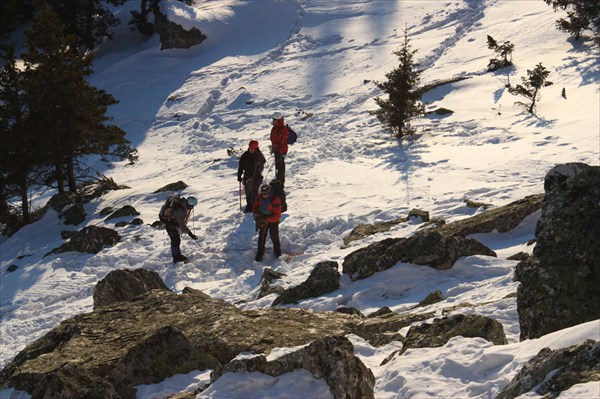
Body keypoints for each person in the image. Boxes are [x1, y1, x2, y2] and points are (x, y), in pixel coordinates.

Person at [252, 184, 282, 261]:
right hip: (262, 218)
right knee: (262, 236)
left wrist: (266, 219)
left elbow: (277, 216)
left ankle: (278, 252)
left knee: (274, 235)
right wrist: (256, 215)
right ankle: (260, 253)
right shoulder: (259, 197)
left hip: (272, 220)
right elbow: (255, 206)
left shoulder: (275, 199)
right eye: (263, 194)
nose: (264, 196)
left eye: (266, 194)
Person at [165, 196, 198, 263]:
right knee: (176, 241)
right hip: (172, 226)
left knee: (175, 241)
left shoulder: (181, 204)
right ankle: (177, 257)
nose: (192, 208)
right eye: (192, 206)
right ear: (189, 204)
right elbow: (181, 226)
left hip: (170, 225)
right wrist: (190, 234)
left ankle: (176, 256)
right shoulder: (181, 210)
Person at [237, 140, 266, 213]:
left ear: (256, 148)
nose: (251, 150)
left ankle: (255, 206)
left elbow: (263, 162)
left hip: (257, 177)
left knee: (254, 192)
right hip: (247, 176)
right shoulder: (245, 155)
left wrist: (259, 165)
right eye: (250, 148)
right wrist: (239, 175)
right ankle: (249, 206)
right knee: (248, 192)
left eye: (253, 149)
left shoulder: (258, 155)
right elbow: (241, 166)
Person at [270, 112, 289, 185]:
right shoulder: (275, 128)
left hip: (281, 151)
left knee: (280, 166)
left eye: (275, 119)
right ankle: (278, 179)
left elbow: (283, 142)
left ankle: (281, 181)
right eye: (273, 119)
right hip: (277, 150)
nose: (273, 121)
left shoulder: (283, 129)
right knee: (278, 166)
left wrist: (280, 152)